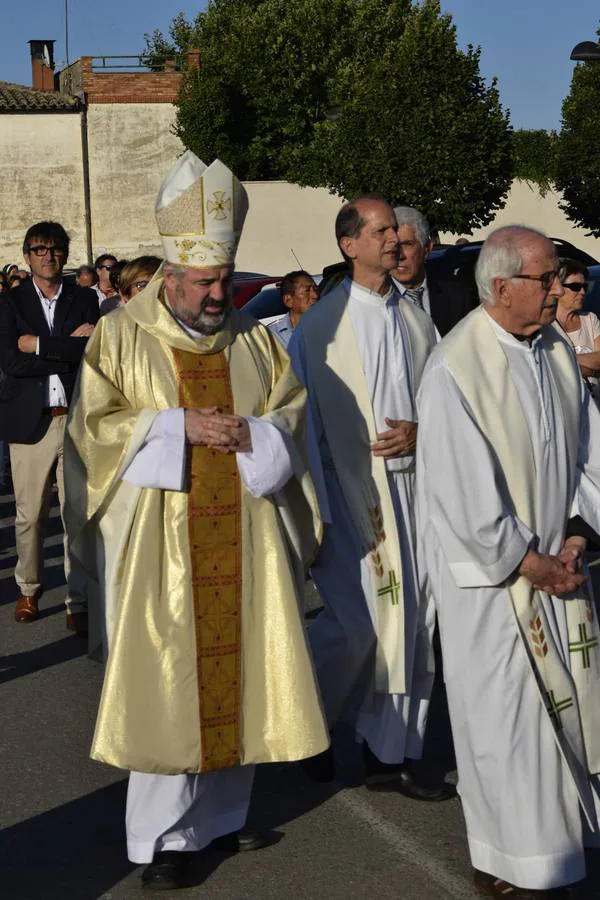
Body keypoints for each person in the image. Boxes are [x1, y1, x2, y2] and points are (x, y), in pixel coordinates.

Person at [64, 152, 328, 892]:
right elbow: (93, 431)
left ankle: (216, 820)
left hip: (245, 537)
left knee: (238, 672)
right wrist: (179, 427)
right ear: (169, 279)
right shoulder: (122, 337)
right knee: (168, 686)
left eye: (224, 279)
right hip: (160, 548)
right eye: (206, 282)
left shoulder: (253, 339)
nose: (220, 295)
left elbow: (291, 419)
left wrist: (250, 435)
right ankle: (159, 839)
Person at [416, 225, 600, 898]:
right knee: (509, 726)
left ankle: (562, 842)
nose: (560, 289)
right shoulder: (455, 365)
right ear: (501, 287)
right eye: (547, 278)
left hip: (560, 566)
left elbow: (588, 453)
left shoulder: (551, 347)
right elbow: (462, 493)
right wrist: (531, 562)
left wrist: (579, 537)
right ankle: (507, 859)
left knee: (569, 708)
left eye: (557, 278)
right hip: (496, 587)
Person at [289, 195, 451, 799]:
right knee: (358, 627)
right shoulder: (323, 325)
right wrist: (313, 510)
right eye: (382, 230)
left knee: (412, 623)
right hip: (348, 497)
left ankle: (390, 753)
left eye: (398, 232)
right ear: (349, 245)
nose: (396, 239)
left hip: (415, 494)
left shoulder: (414, 316)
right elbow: (298, 420)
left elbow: (442, 399)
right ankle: (309, 720)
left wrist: (422, 430)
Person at [0, 221, 98, 631]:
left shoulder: (84, 297)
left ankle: (78, 599)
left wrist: (38, 344)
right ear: (27, 256)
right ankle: (29, 587)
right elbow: (12, 362)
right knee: (29, 514)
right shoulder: (10, 303)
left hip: (75, 419)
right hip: (31, 422)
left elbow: (91, 351)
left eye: (55, 248)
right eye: (39, 249)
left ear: (65, 253)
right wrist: (66, 349)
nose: (48, 255)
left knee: (76, 514)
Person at [392, 206, 477, 337]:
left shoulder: (457, 296)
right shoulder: (378, 300)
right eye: (394, 246)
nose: (399, 255)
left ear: (427, 248)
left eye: (407, 244)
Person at [555, 258, 600, 403]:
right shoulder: (545, 326)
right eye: (575, 287)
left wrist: (565, 360)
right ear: (557, 288)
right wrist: (592, 369)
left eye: (584, 287)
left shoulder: (590, 319)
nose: (582, 292)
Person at [268, 270, 318, 347]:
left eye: (316, 289)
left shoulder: (331, 327)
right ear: (288, 300)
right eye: (307, 291)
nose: (315, 296)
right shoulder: (272, 337)